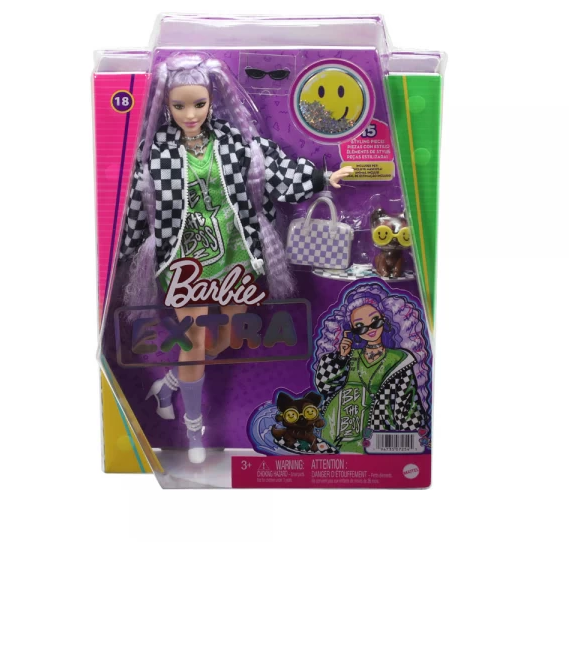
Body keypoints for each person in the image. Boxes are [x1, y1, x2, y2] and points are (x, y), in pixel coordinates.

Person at [120, 53, 353, 462]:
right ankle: (194, 430)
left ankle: (168, 386)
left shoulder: (233, 141)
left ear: (212, 100)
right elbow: (139, 207)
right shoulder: (154, 152)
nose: (190, 114)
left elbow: (276, 171)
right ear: (166, 104)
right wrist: (120, 250)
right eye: (179, 106)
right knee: (193, 340)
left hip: (234, 251)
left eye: (198, 104)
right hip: (185, 257)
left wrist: (321, 177)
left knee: (228, 336)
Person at [314, 282, 429, 453]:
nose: (369, 329)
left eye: (375, 321)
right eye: (360, 326)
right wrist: (341, 357)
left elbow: (407, 406)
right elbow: (324, 386)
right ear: (351, 330)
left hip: (374, 439)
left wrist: (415, 441)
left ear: (385, 319)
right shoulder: (347, 356)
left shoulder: (399, 360)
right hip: (333, 435)